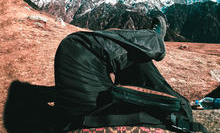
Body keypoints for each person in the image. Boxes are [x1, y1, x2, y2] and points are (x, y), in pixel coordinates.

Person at [54, 16, 202, 132]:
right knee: (137, 59)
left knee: (75, 45)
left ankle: (152, 41)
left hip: (87, 119)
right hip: (167, 117)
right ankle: (150, 42)